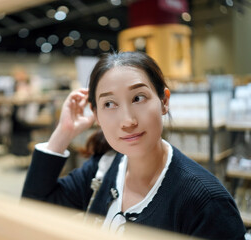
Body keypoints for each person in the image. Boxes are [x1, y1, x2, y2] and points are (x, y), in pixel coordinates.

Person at [22, 51, 246, 239]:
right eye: (109, 104)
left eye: (138, 98)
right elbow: (34, 209)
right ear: (96, 115)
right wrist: (64, 132)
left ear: (164, 101)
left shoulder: (206, 202)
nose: (128, 121)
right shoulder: (104, 168)